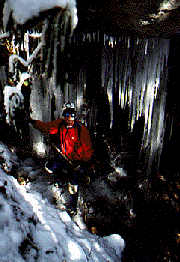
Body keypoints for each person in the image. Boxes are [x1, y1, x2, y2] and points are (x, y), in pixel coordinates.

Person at [28, 102, 93, 216]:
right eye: (66, 114)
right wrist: (33, 122)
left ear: (75, 115)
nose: (69, 117)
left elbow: (88, 149)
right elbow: (46, 127)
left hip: (77, 162)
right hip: (64, 158)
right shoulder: (60, 125)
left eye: (71, 114)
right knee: (49, 167)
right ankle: (59, 183)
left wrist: (83, 163)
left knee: (74, 184)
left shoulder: (81, 129)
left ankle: (73, 208)